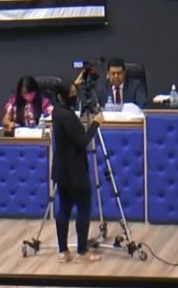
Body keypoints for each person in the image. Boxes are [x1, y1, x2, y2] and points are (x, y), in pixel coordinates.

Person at [52, 84, 104, 263]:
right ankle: (82, 252)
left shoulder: (57, 111)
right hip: (76, 171)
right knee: (83, 209)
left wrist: (79, 80)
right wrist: (96, 123)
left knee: (64, 209)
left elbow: (63, 89)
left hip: (62, 170)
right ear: (62, 96)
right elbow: (82, 142)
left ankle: (63, 251)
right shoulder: (68, 116)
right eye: (72, 93)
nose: (75, 96)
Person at [77, 58, 146, 107]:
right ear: (108, 74)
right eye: (113, 73)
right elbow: (94, 107)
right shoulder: (100, 88)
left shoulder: (136, 86)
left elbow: (142, 106)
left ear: (124, 73)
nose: (116, 76)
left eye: (119, 73)